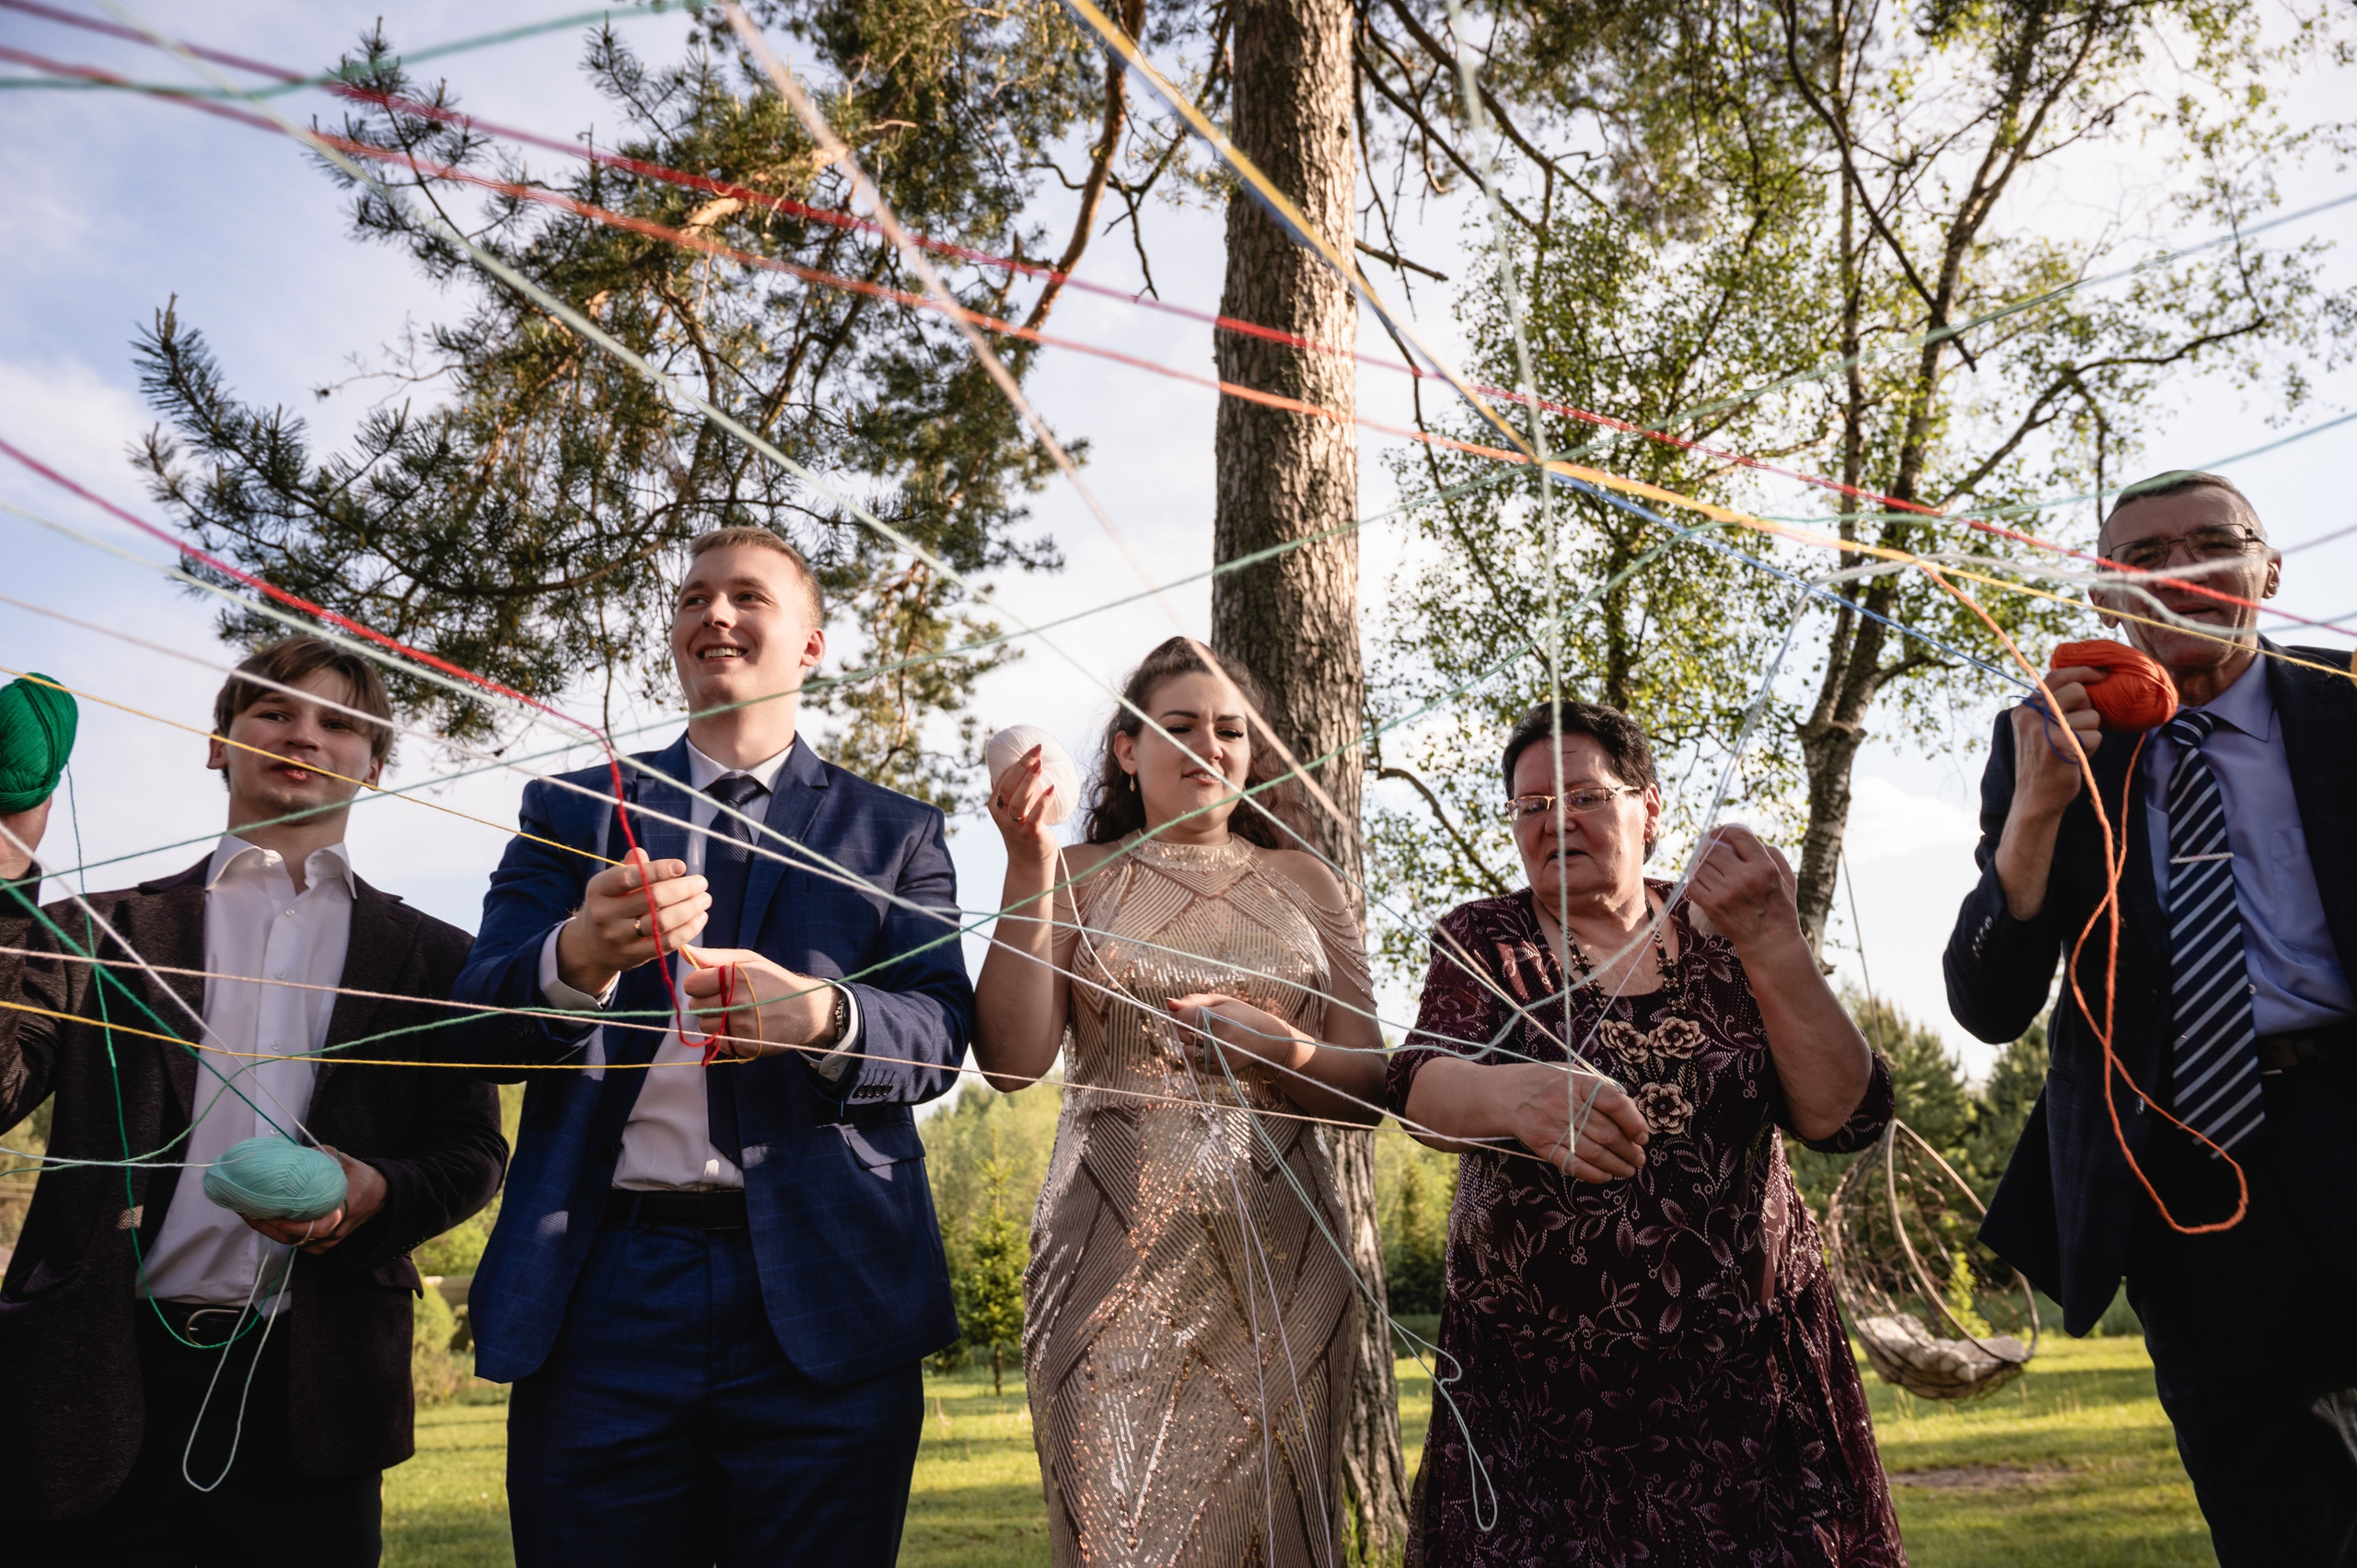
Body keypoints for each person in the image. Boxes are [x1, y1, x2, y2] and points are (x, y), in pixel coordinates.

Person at [456, 526, 974, 1568]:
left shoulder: (896, 829)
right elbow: (478, 1022)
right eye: (694, 597)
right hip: (601, 1279)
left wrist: (825, 1016)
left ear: (813, 645)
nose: (715, 614)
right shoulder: (569, 812)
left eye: (748, 596)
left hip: (829, 1285)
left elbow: (938, 1034)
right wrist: (577, 954)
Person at [0, 638, 511, 1565]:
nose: (302, 734)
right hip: (91, 1377)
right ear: (216, 743)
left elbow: (471, 1151)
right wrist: (7, 860)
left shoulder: (436, 957)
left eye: (338, 722)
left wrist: (372, 1191)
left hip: (316, 1389)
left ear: (375, 764)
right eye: (274, 710)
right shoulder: (100, 928)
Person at [1945, 470, 2357, 1564]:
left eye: (2209, 543)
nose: (2175, 571)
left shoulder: (2347, 697)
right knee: (2278, 1522)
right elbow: (1985, 1003)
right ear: (2103, 601)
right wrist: (2032, 819)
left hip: (2346, 1111)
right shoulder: (2041, 743)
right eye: (2141, 556)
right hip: (2185, 1174)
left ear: (2267, 570)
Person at [1386, 700, 1903, 1566]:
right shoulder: (1488, 940)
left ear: (1650, 807)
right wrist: (1516, 1099)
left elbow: (1841, 1115)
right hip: (1541, 1402)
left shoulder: (1731, 922)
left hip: (1743, 1385)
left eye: (1584, 796)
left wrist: (1774, 938)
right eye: (1532, 806)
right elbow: (1419, 1085)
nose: (1556, 821)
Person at [974, 635, 1386, 1566]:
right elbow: (1009, 1060)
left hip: (1287, 1259)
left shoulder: (1305, 881)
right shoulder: (1071, 871)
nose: (1211, 745)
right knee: (1114, 1536)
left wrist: (1283, 1050)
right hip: (1105, 1256)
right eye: (1182, 725)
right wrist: (1026, 863)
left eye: (1231, 730)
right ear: (1127, 748)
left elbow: (1370, 1089)